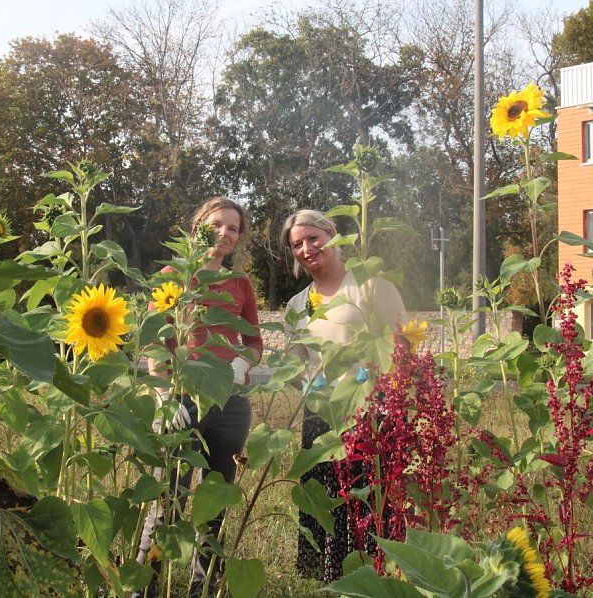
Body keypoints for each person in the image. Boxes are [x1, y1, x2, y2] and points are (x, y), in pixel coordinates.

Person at [135, 197, 263, 598]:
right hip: (181, 401)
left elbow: (255, 342)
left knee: (214, 501)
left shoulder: (240, 284)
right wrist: (162, 396)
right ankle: (144, 588)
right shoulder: (174, 277)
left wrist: (243, 364)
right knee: (166, 500)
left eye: (233, 228)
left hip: (230, 404)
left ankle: (201, 588)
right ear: (198, 226)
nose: (225, 233)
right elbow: (156, 343)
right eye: (218, 225)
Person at [279, 209, 406, 582]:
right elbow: (292, 364)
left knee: (372, 499)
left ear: (333, 234)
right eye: (297, 244)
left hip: (372, 411)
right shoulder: (298, 305)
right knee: (325, 500)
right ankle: (327, 579)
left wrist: (376, 379)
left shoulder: (371, 286)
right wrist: (306, 383)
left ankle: (378, 575)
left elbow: (403, 344)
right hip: (322, 415)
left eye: (313, 238)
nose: (306, 248)